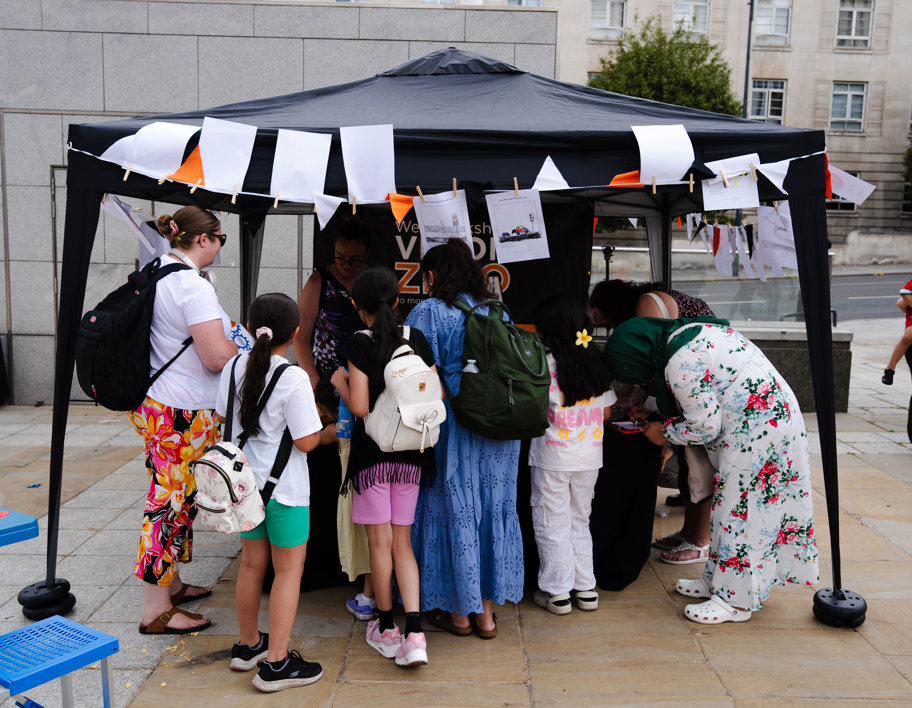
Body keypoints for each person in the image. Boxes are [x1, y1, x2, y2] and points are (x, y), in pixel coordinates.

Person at [604, 317, 818, 624]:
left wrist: (663, 431)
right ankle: (717, 582)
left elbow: (704, 425)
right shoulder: (684, 336)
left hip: (760, 430)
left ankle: (736, 602)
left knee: (741, 514)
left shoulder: (679, 361)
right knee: (727, 510)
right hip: (766, 421)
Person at [405, 238, 524, 639]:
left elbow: (418, 377)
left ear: (433, 276)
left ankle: (458, 614)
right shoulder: (497, 311)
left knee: (454, 509)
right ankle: (486, 617)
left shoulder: (428, 312)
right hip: (499, 432)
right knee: (491, 511)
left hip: (453, 426)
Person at [129, 207, 237, 634]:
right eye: (221, 238)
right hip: (182, 411)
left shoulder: (160, 270)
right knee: (169, 503)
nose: (220, 246)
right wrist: (246, 350)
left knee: (174, 495)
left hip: (158, 405)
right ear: (204, 239)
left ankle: (170, 586)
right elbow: (214, 356)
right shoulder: (192, 286)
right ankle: (155, 609)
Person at [218, 293, 325, 692]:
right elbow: (307, 441)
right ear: (295, 332)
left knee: (250, 566)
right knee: (288, 572)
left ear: (249, 328)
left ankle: (248, 647)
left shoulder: (233, 367)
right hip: (285, 493)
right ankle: (277, 664)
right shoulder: (293, 377)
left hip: (244, 489)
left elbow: (221, 418)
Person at [332, 267, 435, 667]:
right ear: (396, 302)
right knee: (403, 543)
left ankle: (387, 629)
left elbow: (358, 406)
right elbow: (435, 391)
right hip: (413, 455)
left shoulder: (357, 343)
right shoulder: (417, 340)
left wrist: (338, 380)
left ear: (359, 308)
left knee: (379, 543)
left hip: (373, 458)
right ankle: (416, 633)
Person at [589, 278, 715, 565]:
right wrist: (640, 398)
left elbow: (657, 366)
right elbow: (651, 375)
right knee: (689, 466)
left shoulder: (648, 307)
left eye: (609, 324)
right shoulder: (647, 306)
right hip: (686, 386)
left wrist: (669, 433)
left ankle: (701, 539)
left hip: (694, 390)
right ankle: (689, 532)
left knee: (700, 463)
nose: (610, 331)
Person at [292, 216, 375, 611]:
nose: (346, 264)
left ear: (367, 257)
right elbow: (301, 336)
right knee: (327, 469)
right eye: (340, 257)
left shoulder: (374, 281)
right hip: (325, 389)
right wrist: (310, 377)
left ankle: (363, 563)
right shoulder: (318, 282)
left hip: (365, 389)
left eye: (354, 259)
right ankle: (330, 560)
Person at [528, 294, 615, 615]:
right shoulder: (595, 364)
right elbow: (606, 414)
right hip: (589, 458)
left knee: (551, 521)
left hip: (552, 459)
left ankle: (557, 592)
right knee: (580, 520)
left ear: (547, 332)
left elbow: (532, 410)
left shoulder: (542, 367)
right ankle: (585, 588)